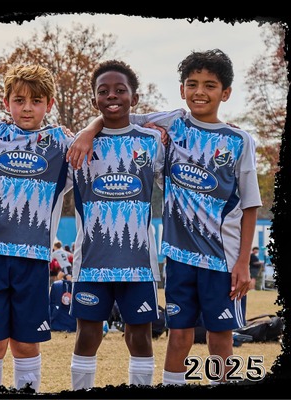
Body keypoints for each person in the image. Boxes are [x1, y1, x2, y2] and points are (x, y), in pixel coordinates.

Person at [69, 49, 260, 387]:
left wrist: (243, 262)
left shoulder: (240, 141)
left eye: (210, 85)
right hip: (179, 257)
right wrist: (88, 130)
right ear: (182, 89)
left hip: (223, 259)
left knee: (220, 338)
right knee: (179, 335)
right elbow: (119, 114)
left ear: (226, 92)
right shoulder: (173, 123)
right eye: (192, 84)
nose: (200, 92)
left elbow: (250, 205)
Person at [0, 64, 72, 392]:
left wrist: (91, 129)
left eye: (36, 101)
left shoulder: (62, 143)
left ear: (49, 104)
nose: (27, 108)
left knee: (25, 344)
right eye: (19, 100)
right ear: (6, 102)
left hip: (33, 258)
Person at [63, 60, 164, 390]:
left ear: (135, 98)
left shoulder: (152, 141)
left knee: (140, 337)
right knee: (87, 335)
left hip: (138, 262)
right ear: (94, 99)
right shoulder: (78, 146)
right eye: (103, 91)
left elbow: (181, 118)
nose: (111, 96)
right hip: (92, 262)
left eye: (120, 90)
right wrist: (88, 131)